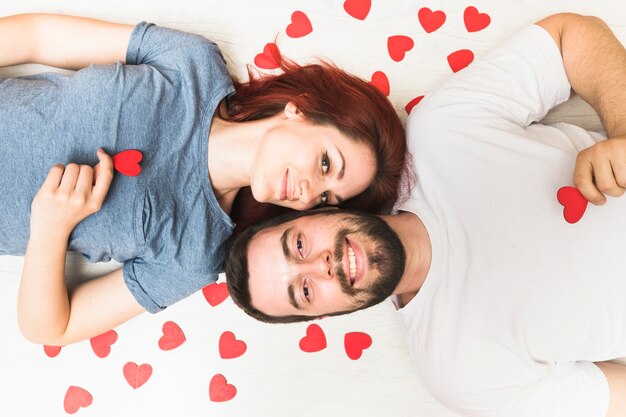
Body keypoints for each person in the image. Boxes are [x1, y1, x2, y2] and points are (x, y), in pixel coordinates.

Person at [224, 13, 626, 417]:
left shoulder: (442, 130)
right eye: (305, 291)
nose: (321, 265)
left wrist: (624, 129)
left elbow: (567, 39)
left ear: (313, 211)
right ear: (325, 315)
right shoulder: (457, 375)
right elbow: (614, 399)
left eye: (298, 245)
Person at [0, 13, 407, 346]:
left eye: (324, 200)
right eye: (324, 164)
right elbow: (38, 38)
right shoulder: (193, 64)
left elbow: (51, 328)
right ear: (298, 110)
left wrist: (49, 231)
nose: (308, 192)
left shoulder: (194, 254)